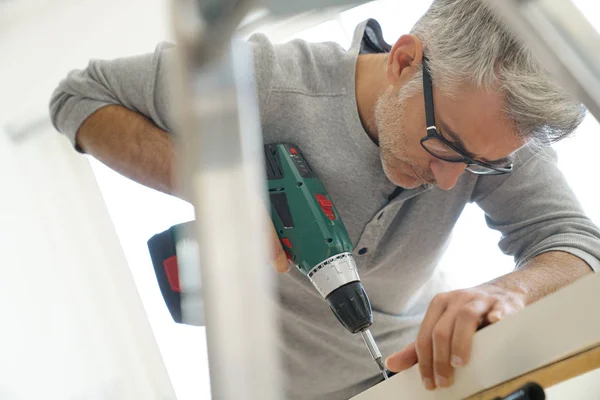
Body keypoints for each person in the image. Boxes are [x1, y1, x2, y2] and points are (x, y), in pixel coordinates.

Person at [49, 0, 600, 398]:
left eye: (478, 164)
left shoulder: (489, 135)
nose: (452, 179)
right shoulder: (262, 81)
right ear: (404, 61)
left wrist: (510, 293)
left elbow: (577, 244)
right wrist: (218, 192)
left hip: (408, 378)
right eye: (443, 145)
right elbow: (78, 97)